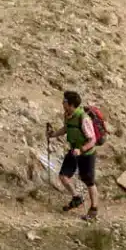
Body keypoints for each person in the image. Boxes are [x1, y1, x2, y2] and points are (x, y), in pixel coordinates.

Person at [54, 90, 102, 222]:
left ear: (71, 104)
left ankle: (93, 210)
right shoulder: (68, 115)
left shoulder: (83, 118)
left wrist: (81, 150)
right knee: (63, 176)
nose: (62, 103)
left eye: (64, 101)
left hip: (86, 153)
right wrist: (53, 134)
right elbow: (66, 128)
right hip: (74, 150)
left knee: (89, 181)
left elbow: (92, 140)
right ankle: (77, 198)